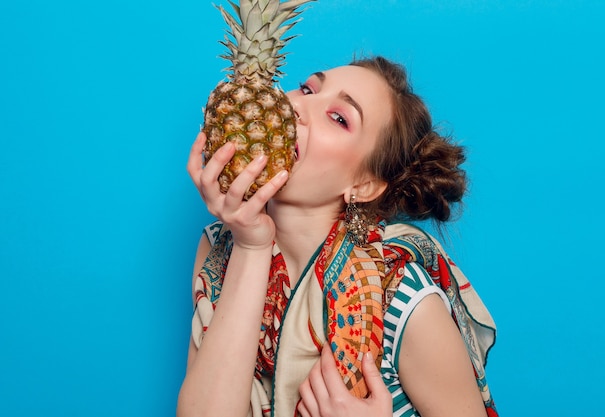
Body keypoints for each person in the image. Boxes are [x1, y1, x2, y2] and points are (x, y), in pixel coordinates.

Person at [177, 56, 498, 417]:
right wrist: (252, 246)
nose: (297, 107)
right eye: (306, 89)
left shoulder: (405, 300)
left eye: (339, 118)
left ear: (362, 185)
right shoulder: (220, 249)